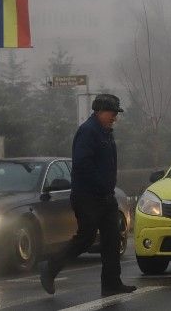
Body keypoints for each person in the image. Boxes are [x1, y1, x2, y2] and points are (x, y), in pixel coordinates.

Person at [39, 94, 136, 297]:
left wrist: (108, 187)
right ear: (100, 111)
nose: (115, 118)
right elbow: (83, 165)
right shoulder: (88, 132)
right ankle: (50, 268)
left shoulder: (105, 132)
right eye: (112, 113)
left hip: (106, 197)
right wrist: (100, 185)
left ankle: (111, 284)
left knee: (112, 239)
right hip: (88, 197)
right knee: (86, 238)